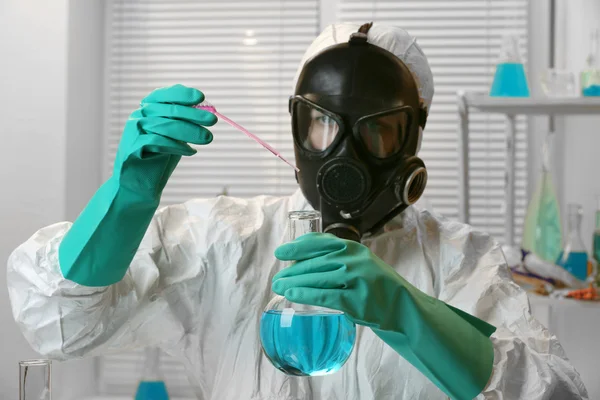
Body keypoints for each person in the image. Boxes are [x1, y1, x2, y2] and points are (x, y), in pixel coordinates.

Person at [7, 22, 587, 400]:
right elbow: (59, 322)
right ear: (297, 127)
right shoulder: (228, 240)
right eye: (324, 123)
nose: (345, 154)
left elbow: (555, 392)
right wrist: (127, 196)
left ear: (412, 137)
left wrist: (405, 309)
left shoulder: (461, 261)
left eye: (377, 130)